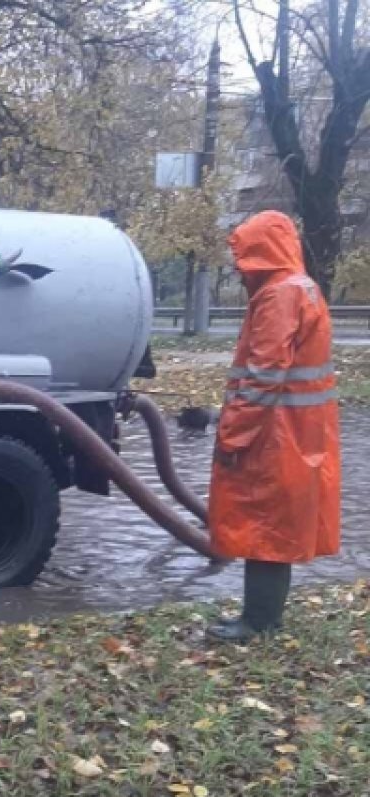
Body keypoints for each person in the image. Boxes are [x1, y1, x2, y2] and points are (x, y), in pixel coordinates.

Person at [206, 210, 341, 642]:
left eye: (243, 254)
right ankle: (261, 617)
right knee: (274, 527)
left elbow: (264, 374)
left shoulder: (278, 296)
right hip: (297, 432)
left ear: (260, 251)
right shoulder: (302, 289)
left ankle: (259, 622)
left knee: (264, 526)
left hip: (273, 435)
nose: (238, 265)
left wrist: (233, 435)